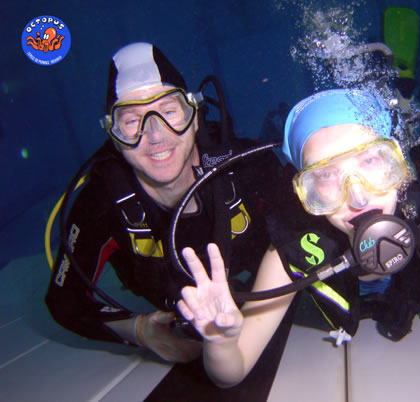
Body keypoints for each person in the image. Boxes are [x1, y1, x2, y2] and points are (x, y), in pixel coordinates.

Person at [178, 88, 420, 386]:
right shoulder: (293, 251)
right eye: (325, 176)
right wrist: (220, 341)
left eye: (371, 161)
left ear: (400, 163)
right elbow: (232, 372)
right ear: (305, 194)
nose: (358, 196)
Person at [45, 42, 288, 364]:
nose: (156, 135)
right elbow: (64, 301)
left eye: (170, 111)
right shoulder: (102, 205)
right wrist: (139, 330)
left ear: (194, 117)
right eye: (132, 121)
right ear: (114, 135)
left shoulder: (249, 168)